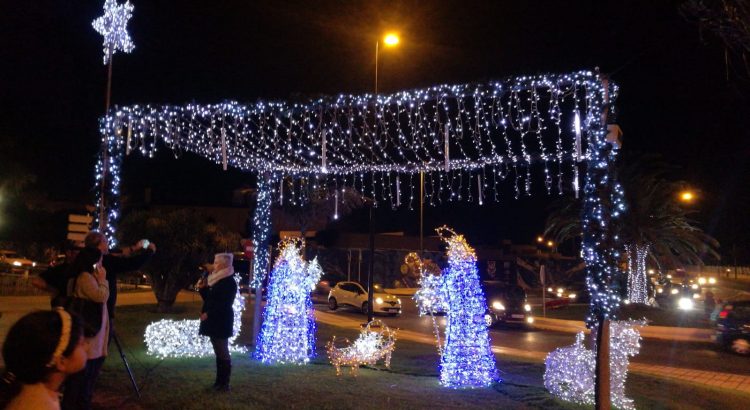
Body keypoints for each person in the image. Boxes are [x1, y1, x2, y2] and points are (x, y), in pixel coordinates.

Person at [1, 309, 87, 410]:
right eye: (81, 343)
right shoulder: (40, 405)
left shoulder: (29, 389)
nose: (86, 345)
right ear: (61, 361)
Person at [61, 247, 109, 410]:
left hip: (90, 332)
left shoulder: (85, 276)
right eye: (100, 259)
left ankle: (79, 403)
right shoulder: (85, 277)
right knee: (81, 380)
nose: (102, 262)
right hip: (89, 332)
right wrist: (103, 280)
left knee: (83, 380)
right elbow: (101, 296)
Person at [83, 232, 156, 322]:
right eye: (105, 241)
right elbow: (132, 263)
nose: (107, 243)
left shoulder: (87, 259)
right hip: (102, 310)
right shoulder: (106, 261)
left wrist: (134, 248)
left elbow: (117, 252)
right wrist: (150, 251)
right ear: (99, 245)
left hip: (89, 309)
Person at [198, 253, 238, 392]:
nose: (214, 265)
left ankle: (224, 384)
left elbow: (224, 304)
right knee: (218, 351)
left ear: (223, 264)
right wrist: (203, 289)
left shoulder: (228, 282)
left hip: (221, 320)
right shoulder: (216, 280)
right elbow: (210, 299)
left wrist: (208, 313)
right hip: (214, 319)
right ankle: (219, 382)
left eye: (216, 262)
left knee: (222, 351)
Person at [32, 242, 81, 308]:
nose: (81, 253)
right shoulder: (60, 269)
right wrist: (55, 290)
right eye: (78, 250)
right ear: (68, 252)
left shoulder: (79, 269)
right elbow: (36, 281)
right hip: (63, 306)